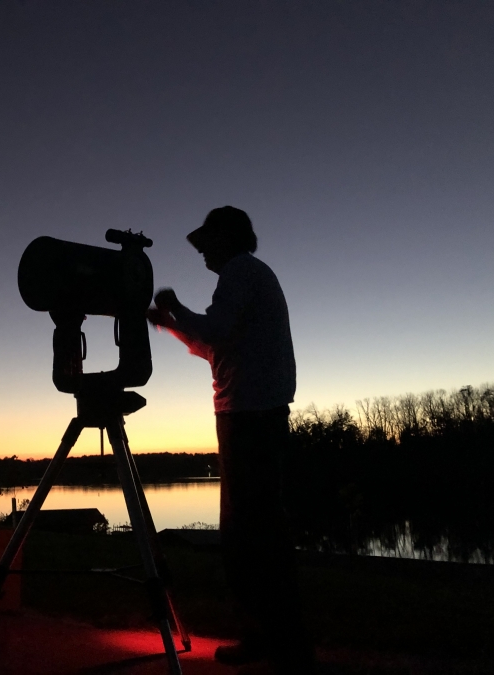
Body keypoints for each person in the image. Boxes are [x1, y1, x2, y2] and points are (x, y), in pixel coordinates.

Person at [147, 207, 314, 673]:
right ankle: (273, 636)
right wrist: (169, 321)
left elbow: (215, 331)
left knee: (254, 532)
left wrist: (175, 305)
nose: (200, 250)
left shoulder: (240, 273)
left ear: (227, 238)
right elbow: (212, 346)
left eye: (205, 242)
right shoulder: (247, 277)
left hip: (250, 416)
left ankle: (279, 640)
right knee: (253, 531)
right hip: (249, 413)